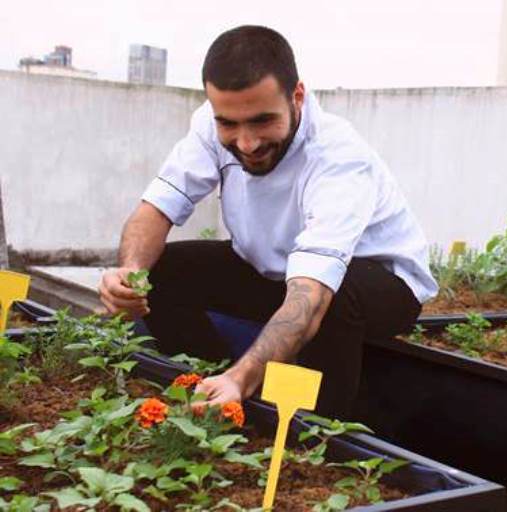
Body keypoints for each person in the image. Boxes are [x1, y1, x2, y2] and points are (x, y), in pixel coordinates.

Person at [98, 25, 437, 417]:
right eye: (229, 123)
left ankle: (316, 432)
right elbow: (156, 208)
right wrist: (130, 273)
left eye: (261, 121)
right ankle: (206, 386)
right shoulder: (211, 124)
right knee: (164, 270)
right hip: (276, 272)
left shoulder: (338, 158)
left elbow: (312, 293)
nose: (246, 143)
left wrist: (244, 378)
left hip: (377, 281)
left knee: (335, 299)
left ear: (297, 96)